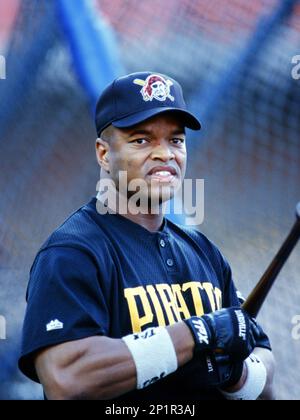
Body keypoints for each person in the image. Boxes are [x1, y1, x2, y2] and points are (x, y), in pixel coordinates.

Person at [19, 71, 275, 401]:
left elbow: (265, 371)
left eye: (176, 140)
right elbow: (65, 378)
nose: (165, 154)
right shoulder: (72, 252)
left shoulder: (204, 251)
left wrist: (236, 372)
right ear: (103, 154)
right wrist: (196, 335)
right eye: (142, 140)